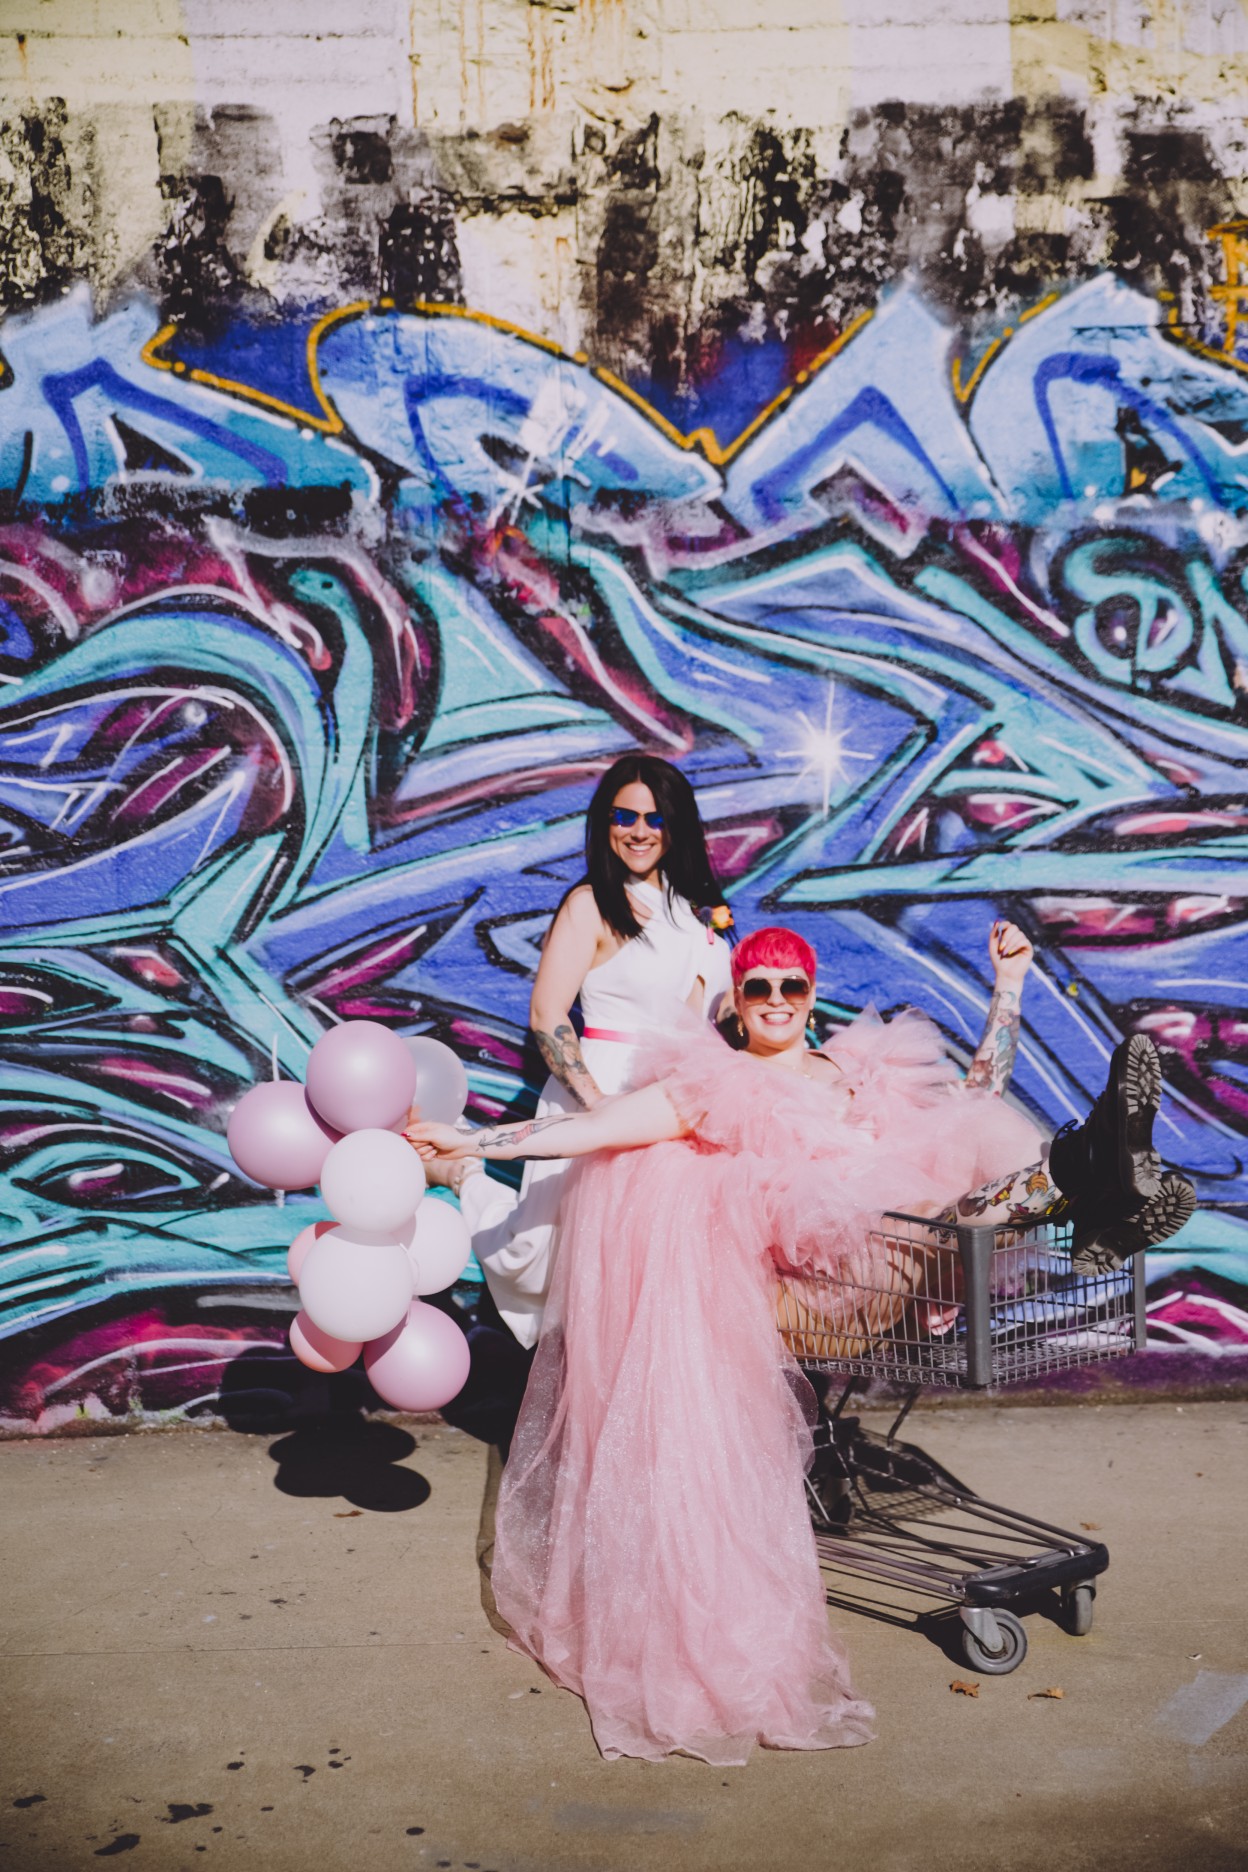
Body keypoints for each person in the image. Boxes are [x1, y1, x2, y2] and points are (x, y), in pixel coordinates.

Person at [408, 928, 1195, 1764]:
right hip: (802, 1297)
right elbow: (592, 1131)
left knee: (955, 1165)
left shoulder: (850, 1076)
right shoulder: (712, 1089)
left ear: (812, 995)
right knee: (935, 1215)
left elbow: (976, 1101)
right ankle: (1094, 1184)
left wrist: (1010, 985)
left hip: (888, 1268)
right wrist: (470, 1146)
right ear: (739, 1005)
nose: (777, 1000)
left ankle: (1093, 1181)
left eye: (792, 985)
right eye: (759, 989)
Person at [444, 753, 734, 1348]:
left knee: (644, 1275)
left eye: (655, 819)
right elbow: (548, 1016)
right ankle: (464, 1173)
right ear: (604, 821)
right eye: (624, 815)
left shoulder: (698, 916)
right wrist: (598, 1104)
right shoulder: (592, 904)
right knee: (544, 1258)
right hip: (596, 1096)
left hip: (673, 1113)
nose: (639, 831)